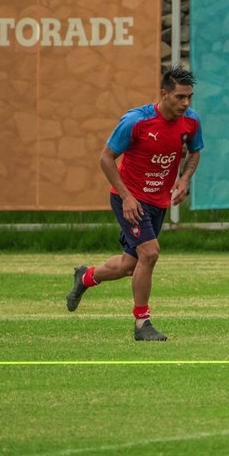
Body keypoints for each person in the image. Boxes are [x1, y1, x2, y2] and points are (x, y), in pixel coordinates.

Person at [66, 65, 203, 341]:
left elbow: (195, 151)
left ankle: (86, 276)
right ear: (164, 94)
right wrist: (127, 197)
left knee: (130, 265)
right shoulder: (136, 121)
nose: (185, 103)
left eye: (189, 97)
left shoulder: (191, 121)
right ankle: (142, 324)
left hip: (157, 201)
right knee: (150, 253)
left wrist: (185, 180)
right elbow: (106, 158)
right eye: (180, 97)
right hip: (129, 199)